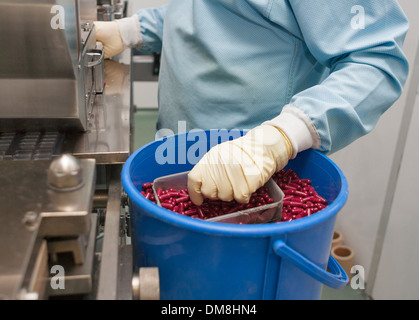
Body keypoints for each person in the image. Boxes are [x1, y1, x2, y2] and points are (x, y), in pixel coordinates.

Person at [95, 0, 409, 206]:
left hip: (254, 185)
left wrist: (277, 139)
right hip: (173, 158)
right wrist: (132, 30)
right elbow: (209, 10)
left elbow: (376, 59)